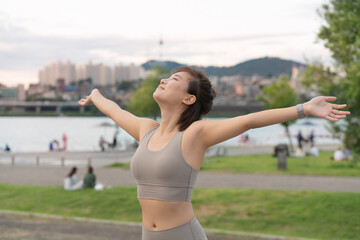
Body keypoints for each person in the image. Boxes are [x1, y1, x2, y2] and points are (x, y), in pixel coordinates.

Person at [78, 66, 350, 240]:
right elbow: (115, 110)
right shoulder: (146, 130)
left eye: (173, 79)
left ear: (188, 98)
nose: (163, 80)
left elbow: (248, 121)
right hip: (148, 235)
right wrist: (95, 95)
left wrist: (304, 108)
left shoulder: (195, 134)